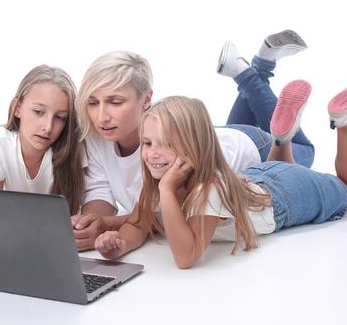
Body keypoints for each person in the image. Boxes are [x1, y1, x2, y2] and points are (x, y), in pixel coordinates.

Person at [93, 72, 347, 269]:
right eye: (147, 143)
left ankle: (345, 122)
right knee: (282, 169)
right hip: (257, 179)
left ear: (194, 145)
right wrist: (116, 245)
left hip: (285, 197)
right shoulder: (161, 179)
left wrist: (168, 191)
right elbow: (139, 222)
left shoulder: (206, 189)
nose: (152, 153)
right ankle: (281, 139)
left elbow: (186, 257)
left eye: (166, 144)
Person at [72, 30, 315, 251]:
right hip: (216, 133)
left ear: (146, 100)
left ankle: (247, 74)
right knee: (243, 119)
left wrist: (110, 227)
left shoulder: (176, 154)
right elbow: (100, 195)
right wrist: (87, 229)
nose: (101, 116)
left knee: (303, 150)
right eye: (92, 103)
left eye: (115, 102)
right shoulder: (96, 139)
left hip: (249, 147)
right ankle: (258, 66)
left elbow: (167, 219)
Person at [0, 64, 86, 215]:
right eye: (38, 112)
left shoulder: (76, 149)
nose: (48, 127)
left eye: (60, 117)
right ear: (17, 108)